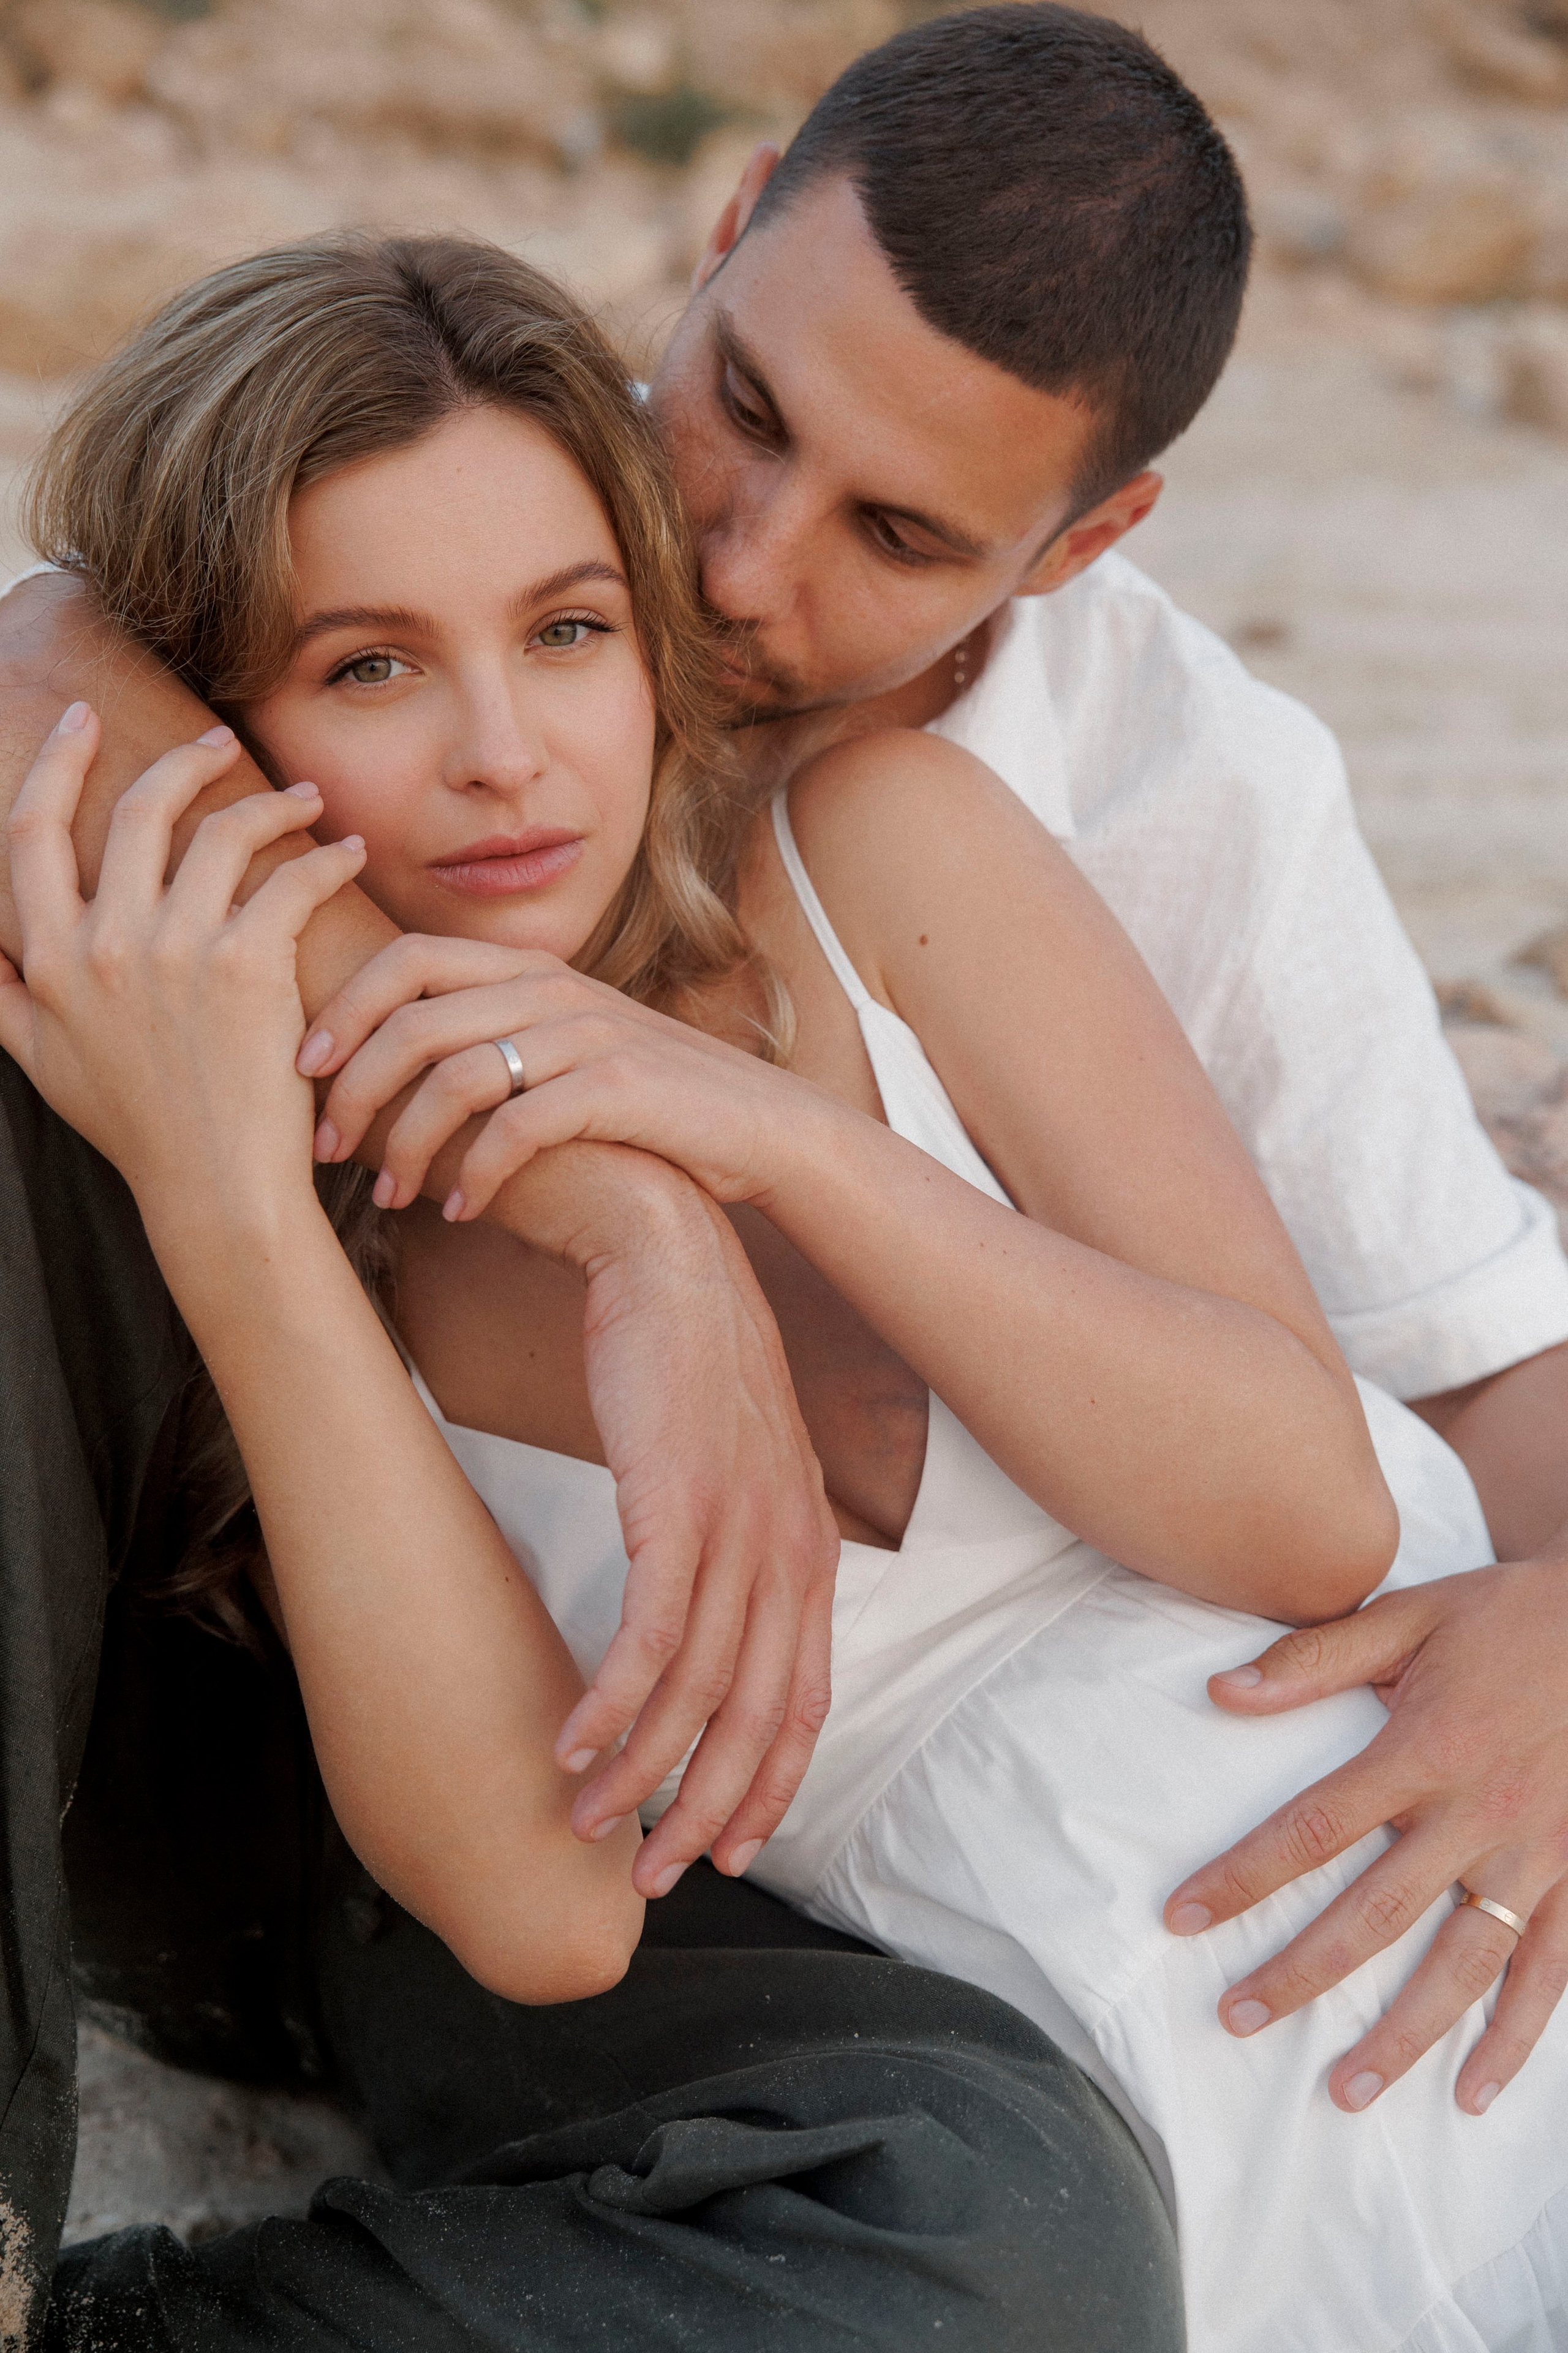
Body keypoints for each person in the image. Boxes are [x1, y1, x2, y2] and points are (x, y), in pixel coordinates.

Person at [6, 227, 1566, 2353]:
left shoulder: (879, 844)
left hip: (1474, 1873)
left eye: (566, 629)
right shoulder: (331, 1230)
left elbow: (1305, 1513)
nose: (505, 755)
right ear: (221, 721)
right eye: (366, 666)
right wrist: (252, 1221)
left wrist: (769, 1151)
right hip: (1173, 2087)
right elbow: (545, 1908)